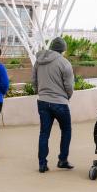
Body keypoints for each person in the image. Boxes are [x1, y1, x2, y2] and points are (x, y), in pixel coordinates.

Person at [34, 36, 75, 172]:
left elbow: (34, 80)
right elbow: (69, 85)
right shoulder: (65, 63)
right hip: (60, 102)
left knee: (44, 133)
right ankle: (62, 160)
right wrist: (67, 96)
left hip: (43, 101)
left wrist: (40, 93)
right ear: (63, 49)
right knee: (66, 130)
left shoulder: (38, 61)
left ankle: (42, 164)